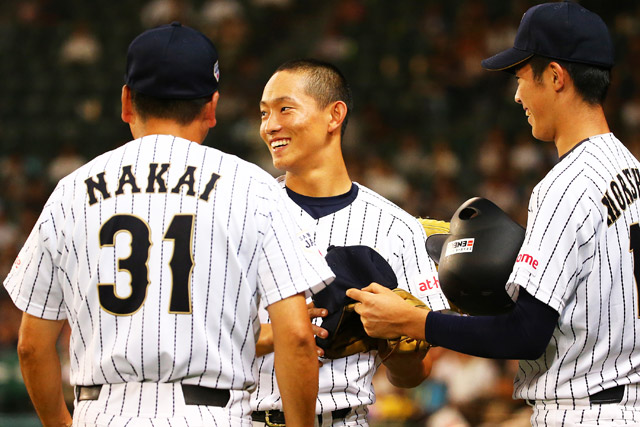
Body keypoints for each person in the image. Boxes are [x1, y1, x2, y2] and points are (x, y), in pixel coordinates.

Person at [3, 22, 335, 427]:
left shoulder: (70, 192)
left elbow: (31, 348)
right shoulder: (253, 188)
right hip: (212, 414)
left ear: (127, 102)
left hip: (100, 410)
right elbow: (297, 336)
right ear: (211, 108)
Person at [347, 2, 640, 426]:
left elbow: (526, 334)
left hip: (582, 412)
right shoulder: (630, 167)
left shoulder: (564, 186)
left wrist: (416, 321)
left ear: (556, 77)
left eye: (522, 77)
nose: (518, 94)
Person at [251, 58, 449, 426]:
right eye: (264, 113)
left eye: (284, 109)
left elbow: (413, 376)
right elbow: (201, 339)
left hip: (346, 418)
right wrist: (281, 333)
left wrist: (402, 349)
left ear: (334, 115)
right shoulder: (242, 213)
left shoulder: (397, 228)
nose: (270, 125)